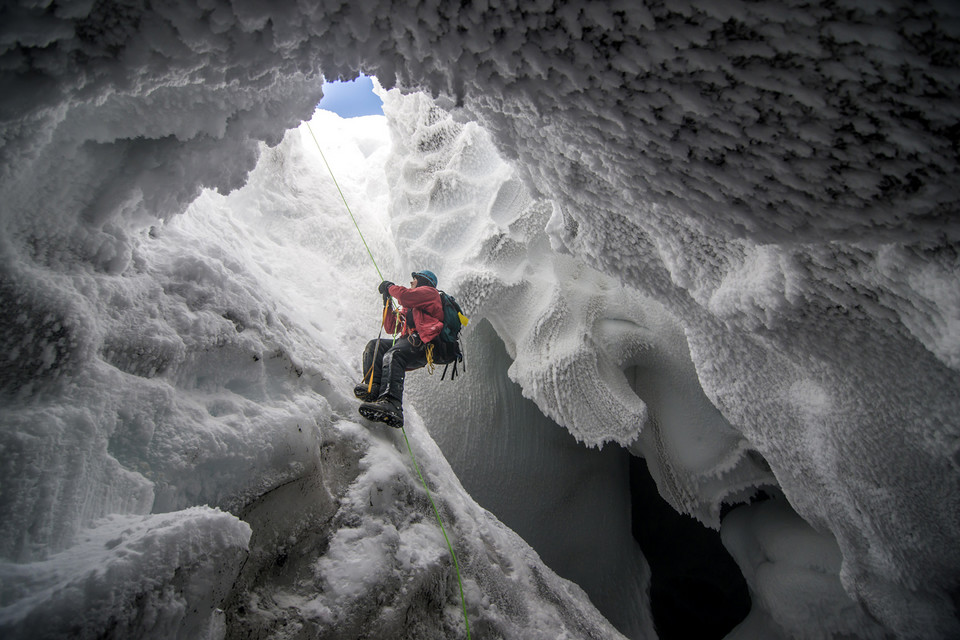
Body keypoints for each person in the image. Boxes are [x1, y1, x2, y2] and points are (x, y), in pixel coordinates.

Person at [355, 269, 443, 428]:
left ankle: (392, 404)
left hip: (422, 344)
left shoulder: (430, 293)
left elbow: (404, 296)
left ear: (423, 281)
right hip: (409, 341)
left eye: (414, 279)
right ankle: (373, 388)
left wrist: (390, 287)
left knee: (394, 354)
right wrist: (387, 303)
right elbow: (390, 327)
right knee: (375, 346)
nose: (411, 282)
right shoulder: (412, 307)